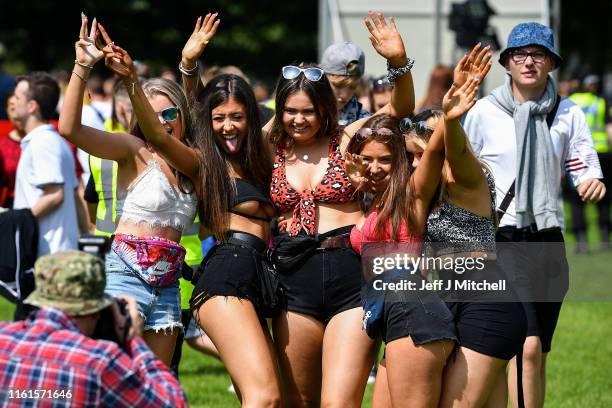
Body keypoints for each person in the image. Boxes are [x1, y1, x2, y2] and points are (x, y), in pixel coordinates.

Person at [264, 12, 414, 406]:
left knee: (340, 403)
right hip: (293, 278)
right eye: (290, 110)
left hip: (349, 270)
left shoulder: (346, 137)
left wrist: (398, 62)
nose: (299, 119)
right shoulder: (271, 149)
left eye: (308, 111)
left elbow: (400, 110)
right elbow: (225, 134)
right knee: (299, 401)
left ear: (324, 110)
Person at [463, 22, 606, 407]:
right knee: (524, 347)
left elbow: (583, 162)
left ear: (551, 63)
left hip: (547, 238)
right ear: (507, 62)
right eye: (520, 55)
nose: (529, 62)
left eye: (538, 55)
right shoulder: (482, 112)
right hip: (502, 239)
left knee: (538, 351)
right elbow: (461, 170)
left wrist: (591, 181)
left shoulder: (569, 112)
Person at [58, 15, 199, 366]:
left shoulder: (194, 162)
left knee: (153, 384)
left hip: (168, 284)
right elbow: (70, 128)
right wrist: (82, 66)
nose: (163, 121)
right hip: (124, 275)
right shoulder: (132, 150)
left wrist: (189, 64)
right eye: (153, 115)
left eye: (170, 112)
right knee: (111, 376)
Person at [179, 14, 284, 406]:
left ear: (251, 117)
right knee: (265, 397)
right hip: (226, 276)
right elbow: (193, 107)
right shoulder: (204, 159)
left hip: (264, 275)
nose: (227, 126)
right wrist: (189, 66)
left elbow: (300, 114)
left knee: (271, 397)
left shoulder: (262, 152)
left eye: (237, 117)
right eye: (219, 118)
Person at [0, 250, 187, 407]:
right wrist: (134, 339)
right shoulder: (100, 360)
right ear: (95, 311)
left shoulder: (3, 337)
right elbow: (173, 402)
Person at [12, 71, 79, 257]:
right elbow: (74, 196)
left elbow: (55, 195)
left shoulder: (44, 142)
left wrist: (15, 223)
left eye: (17, 97)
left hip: (49, 256)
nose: (12, 101)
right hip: (56, 254)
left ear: (32, 106)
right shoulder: (51, 140)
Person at [568, 74, 611, 251]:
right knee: (604, 197)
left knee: (576, 199)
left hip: (575, 155)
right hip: (601, 153)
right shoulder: (600, 102)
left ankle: (581, 240)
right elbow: (609, 128)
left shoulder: (569, 101)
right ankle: (604, 237)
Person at [320, 41, 370, 125]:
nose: (344, 95)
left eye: (352, 87)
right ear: (322, 79)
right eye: (338, 86)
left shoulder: (362, 119)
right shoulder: (305, 110)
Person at [0, 94, 25, 209]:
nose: (16, 113)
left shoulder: (41, 141)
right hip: (11, 206)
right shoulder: (3, 146)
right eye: (12, 108)